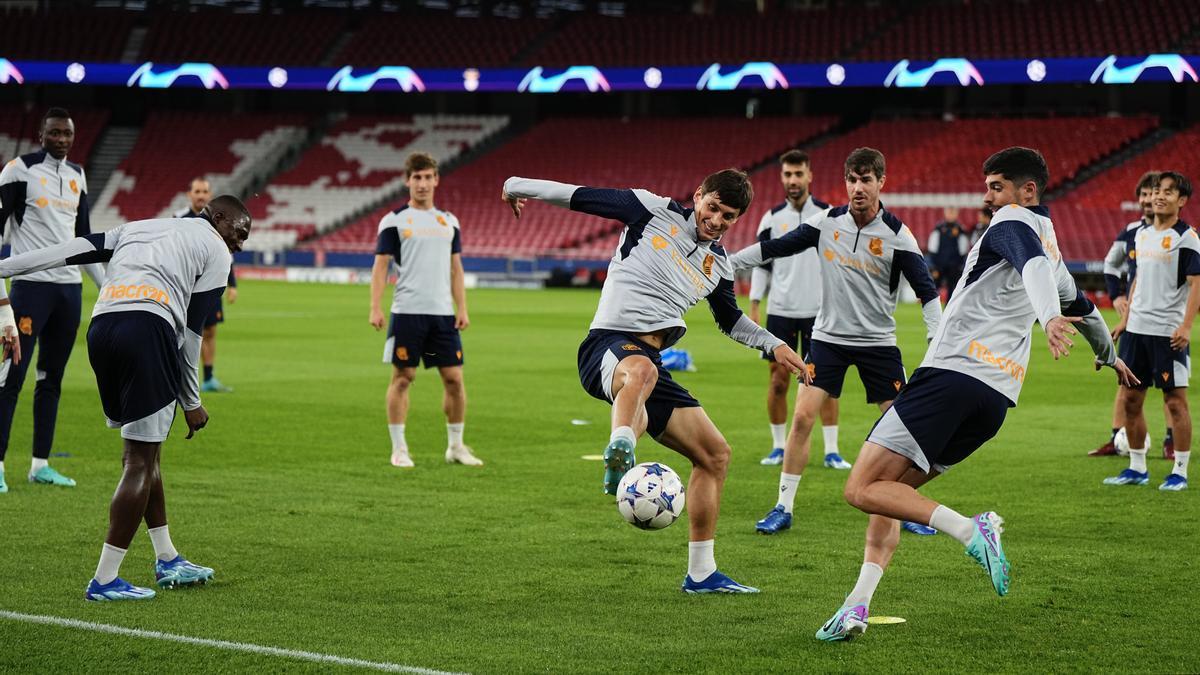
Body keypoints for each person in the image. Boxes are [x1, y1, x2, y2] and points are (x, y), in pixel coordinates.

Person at [813, 147, 1136, 642]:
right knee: (889, 496)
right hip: (994, 401)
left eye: (996, 186)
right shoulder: (1053, 251)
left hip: (951, 377)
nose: (987, 197)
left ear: (1027, 191)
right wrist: (1109, 355)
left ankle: (971, 530)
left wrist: (1048, 317)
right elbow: (1087, 309)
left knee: (858, 488)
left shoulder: (1013, 222)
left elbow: (1031, 269)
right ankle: (856, 606)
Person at [502, 168, 809, 593]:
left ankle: (701, 573)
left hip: (648, 366)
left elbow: (730, 321)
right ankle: (621, 450)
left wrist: (773, 344)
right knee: (642, 372)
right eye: (713, 207)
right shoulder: (651, 210)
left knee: (716, 455)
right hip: (607, 346)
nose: (716, 219)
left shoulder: (718, 265)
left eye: (729, 216)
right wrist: (517, 185)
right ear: (699, 195)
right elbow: (580, 195)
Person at [0, 194, 251, 600]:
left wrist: (3, 267)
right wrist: (192, 402)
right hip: (148, 330)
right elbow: (190, 336)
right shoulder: (216, 252)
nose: (239, 244)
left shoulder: (139, 226)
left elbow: (73, 250)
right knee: (140, 460)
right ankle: (104, 580)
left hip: (101, 330)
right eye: (239, 233)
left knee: (143, 453)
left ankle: (168, 557)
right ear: (218, 217)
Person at [729, 148, 943, 536]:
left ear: (881, 182)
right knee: (802, 417)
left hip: (879, 344)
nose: (858, 187)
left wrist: (937, 338)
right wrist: (726, 262)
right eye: (852, 179)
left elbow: (927, 291)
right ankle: (783, 506)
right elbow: (776, 248)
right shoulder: (826, 222)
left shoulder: (898, 234)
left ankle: (904, 507)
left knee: (905, 427)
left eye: (866, 180)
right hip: (828, 340)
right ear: (844, 182)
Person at [0, 107, 104, 493]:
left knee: (51, 380)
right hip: (29, 288)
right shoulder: (18, 170)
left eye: (68, 133)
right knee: (11, 377)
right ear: (41, 135)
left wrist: (107, 287)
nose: (62, 139)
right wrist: (2, 301)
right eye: (55, 132)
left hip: (68, 291)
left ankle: (40, 465)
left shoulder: (78, 175)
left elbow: (86, 241)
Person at [370, 153, 480, 468]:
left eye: (428, 177)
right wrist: (376, 307)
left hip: (443, 314)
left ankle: (456, 446)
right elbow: (380, 267)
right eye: (416, 178)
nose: (422, 183)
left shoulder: (449, 221)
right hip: (407, 312)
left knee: (455, 380)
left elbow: (456, 268)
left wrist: (463, 307)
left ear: (436, 180)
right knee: (403, 378)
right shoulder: (394, 220)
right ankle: (399, 448)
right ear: (407, 181)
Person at [747, 150, 846, 469]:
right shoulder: (771, 218)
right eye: (787, 175)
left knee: (825, 383)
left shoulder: (829, 216)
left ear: (809, 176)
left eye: (798, 174)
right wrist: (754, 305)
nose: (793, 180)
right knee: (778, 382)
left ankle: (832, 450)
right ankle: (778, 446)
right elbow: (762, 264)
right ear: (781, 177)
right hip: (781, 310)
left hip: (820, 313)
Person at [1105, 171, 1198, 491]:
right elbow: (1137, 282)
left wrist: (1186, 325)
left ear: (1181, 201)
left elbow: (1197, 283)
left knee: (1175, 403)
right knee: (1131, 400)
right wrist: (1124, 320)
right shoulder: (1141, 235)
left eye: (1169, 192)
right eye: (1157, 190)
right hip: (1136, 331)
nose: (1159, 195)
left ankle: (1180, 472)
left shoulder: (1188, 237)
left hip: (1167, 333)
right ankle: (1136, 467)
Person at [1090, 171, 1175, 458]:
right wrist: (1117, 297)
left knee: (1170, 387)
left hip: (1165, 320)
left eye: (1153, 193)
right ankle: (1118, 439)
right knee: (1126, 380)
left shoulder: (1178, 235)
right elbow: (1110, 265)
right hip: (1134, 320)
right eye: (1144, 194)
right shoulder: (1131, 232)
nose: (1148, 199)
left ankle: (1171, 441)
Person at [175, 177, 238, 393]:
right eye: (197, 191)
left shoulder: (219, 221)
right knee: (185, 333)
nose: (201, 195)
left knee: (210, 331)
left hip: (212, 285)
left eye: (204, 192)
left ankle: (209, 378)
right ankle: (180, 377)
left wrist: (232, 284)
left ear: (210, 196)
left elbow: (226, 254)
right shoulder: (180, 219)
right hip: (186, 287)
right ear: (189, 194)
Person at [926, 206, 970, 301]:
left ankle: (948, 312)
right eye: (949, 212)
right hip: (939, 265)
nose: (950, 215)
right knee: (934, 288)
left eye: (952, 213)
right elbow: (932, 247)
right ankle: (933, 309)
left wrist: (960, 264)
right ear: (945, 214)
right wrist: (933, 266)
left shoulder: (960, 229)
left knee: (952, 289)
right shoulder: (938, 228)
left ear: (956, 214)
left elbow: (963, 249)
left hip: (954, 266)